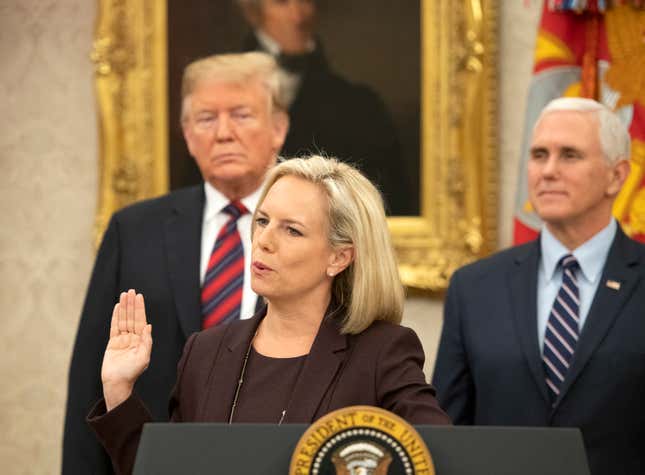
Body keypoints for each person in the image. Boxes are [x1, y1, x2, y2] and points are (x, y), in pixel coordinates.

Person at [88, 156, 451, 474]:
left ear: (339, 257)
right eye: (262, 221)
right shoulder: (205, 351)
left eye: (292, 230)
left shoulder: (381, 353)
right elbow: (167, 470)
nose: (263, 241)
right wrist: (119, 390)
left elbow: (441, 457)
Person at [63, 52, 289, 474]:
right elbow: (89, 379)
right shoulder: (134, 230)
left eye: (241, 115)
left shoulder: (311, 231)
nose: (223, 133)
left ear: (278, 127)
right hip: (152, 459)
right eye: (205, 119)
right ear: (187, 134)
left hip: (277, 458)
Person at [432, 98, 645, 475]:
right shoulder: (475, 288)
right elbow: (447, 433)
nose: (548, 171)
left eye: (570, 156)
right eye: (538, 154)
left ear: (617, 175)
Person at [236, 0, 416, 215]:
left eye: (305, 1)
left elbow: (388, 205)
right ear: (253, 12)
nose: (298, 16)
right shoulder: (217, 95)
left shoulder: (362, 107)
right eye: (281, 2)